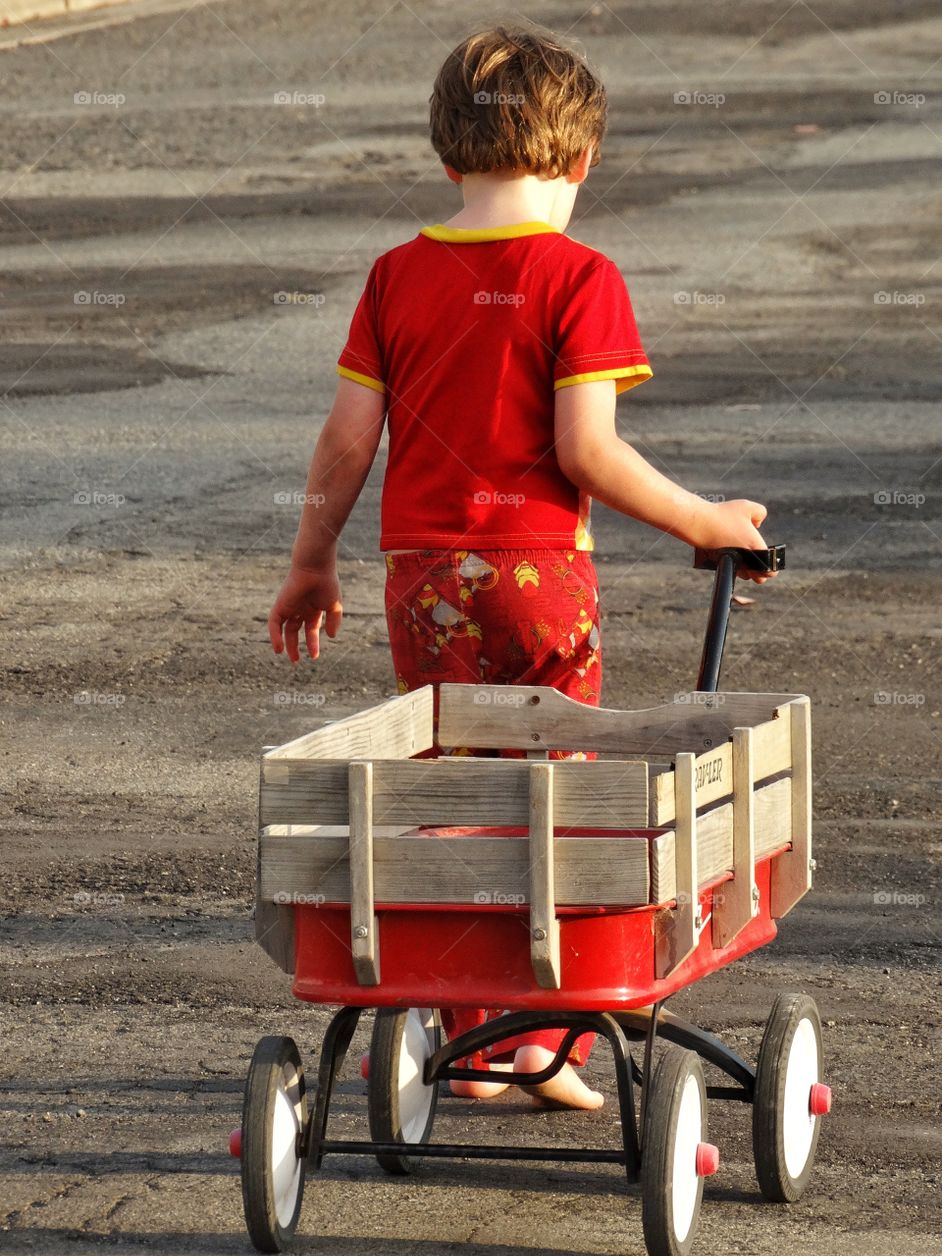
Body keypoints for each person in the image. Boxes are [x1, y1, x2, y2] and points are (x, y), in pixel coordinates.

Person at [268, 24, 773, 1111]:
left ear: (447, 155)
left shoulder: (397, 275)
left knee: (455, 794)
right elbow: (587, 449)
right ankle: (545, 1035)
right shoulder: (579, 276)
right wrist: (705, 522)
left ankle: (471, 1032)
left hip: (423, 579)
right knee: (558, 794)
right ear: (583, 160)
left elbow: (348, 440)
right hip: (540, 575)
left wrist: (313, 559)